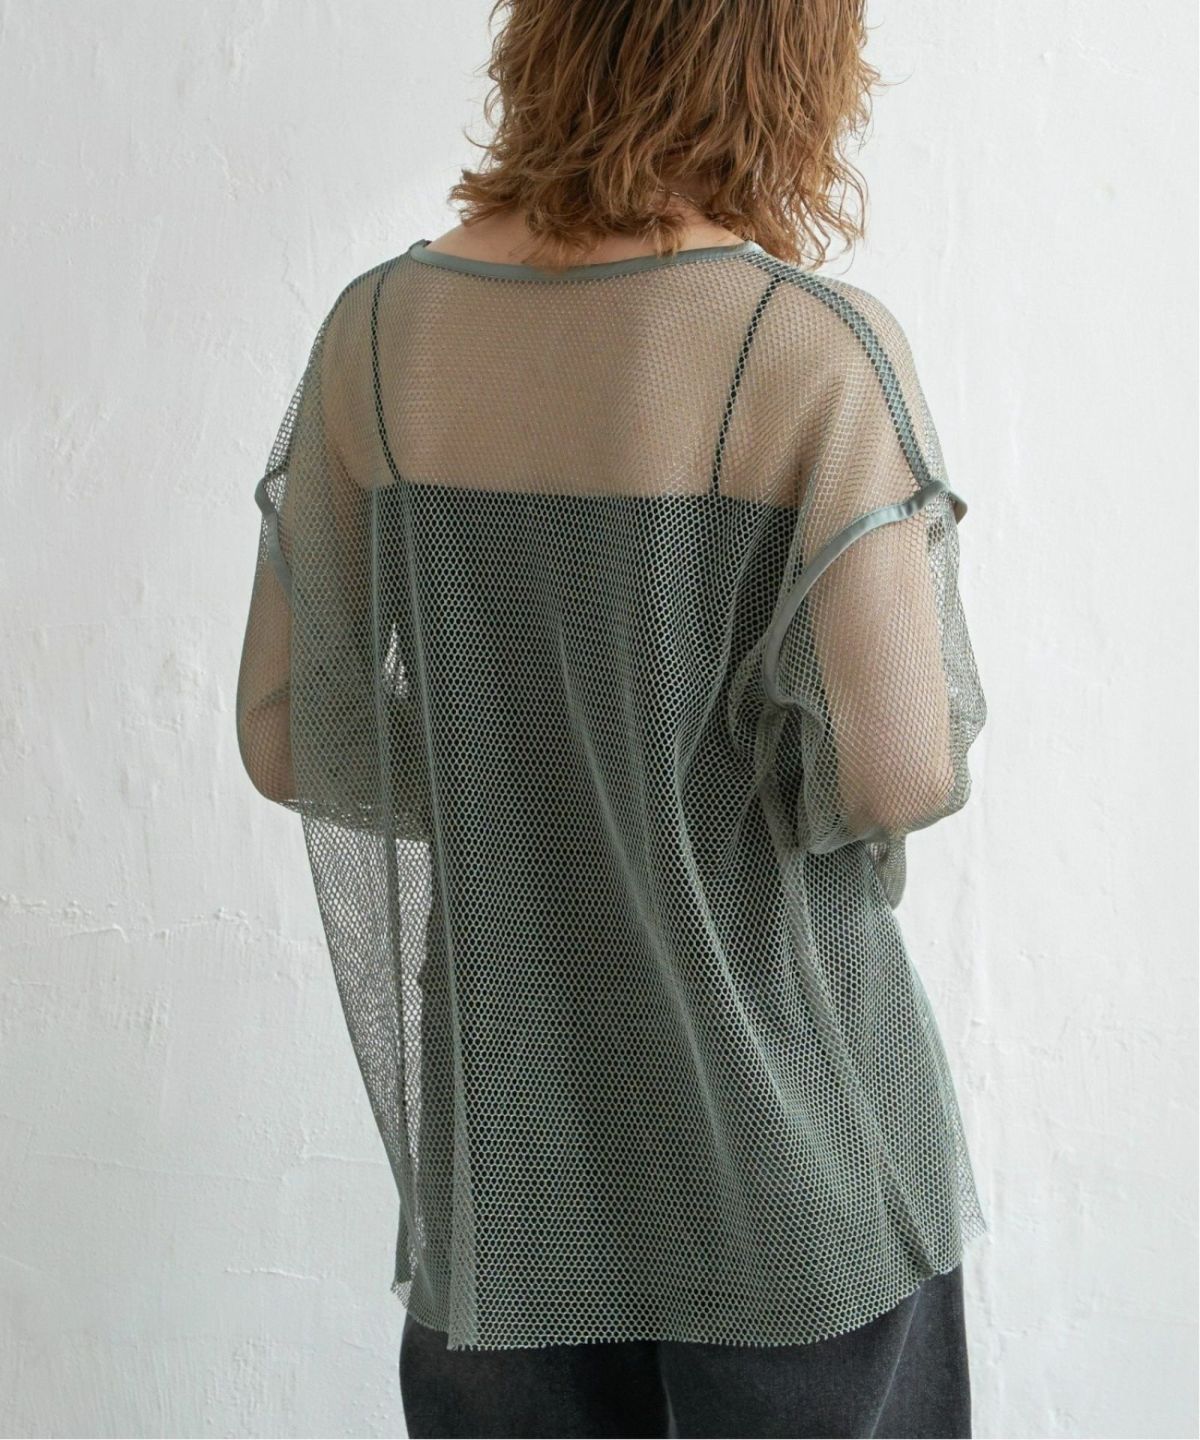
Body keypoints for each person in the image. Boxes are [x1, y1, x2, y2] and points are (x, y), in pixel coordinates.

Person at [234, 1, 989, 1435]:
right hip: (788, 1169)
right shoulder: (805, 349)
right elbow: (900, 766)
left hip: (511, 1171)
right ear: (788, 67)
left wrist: (519, 774)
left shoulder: (379, 333)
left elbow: (287, 731)